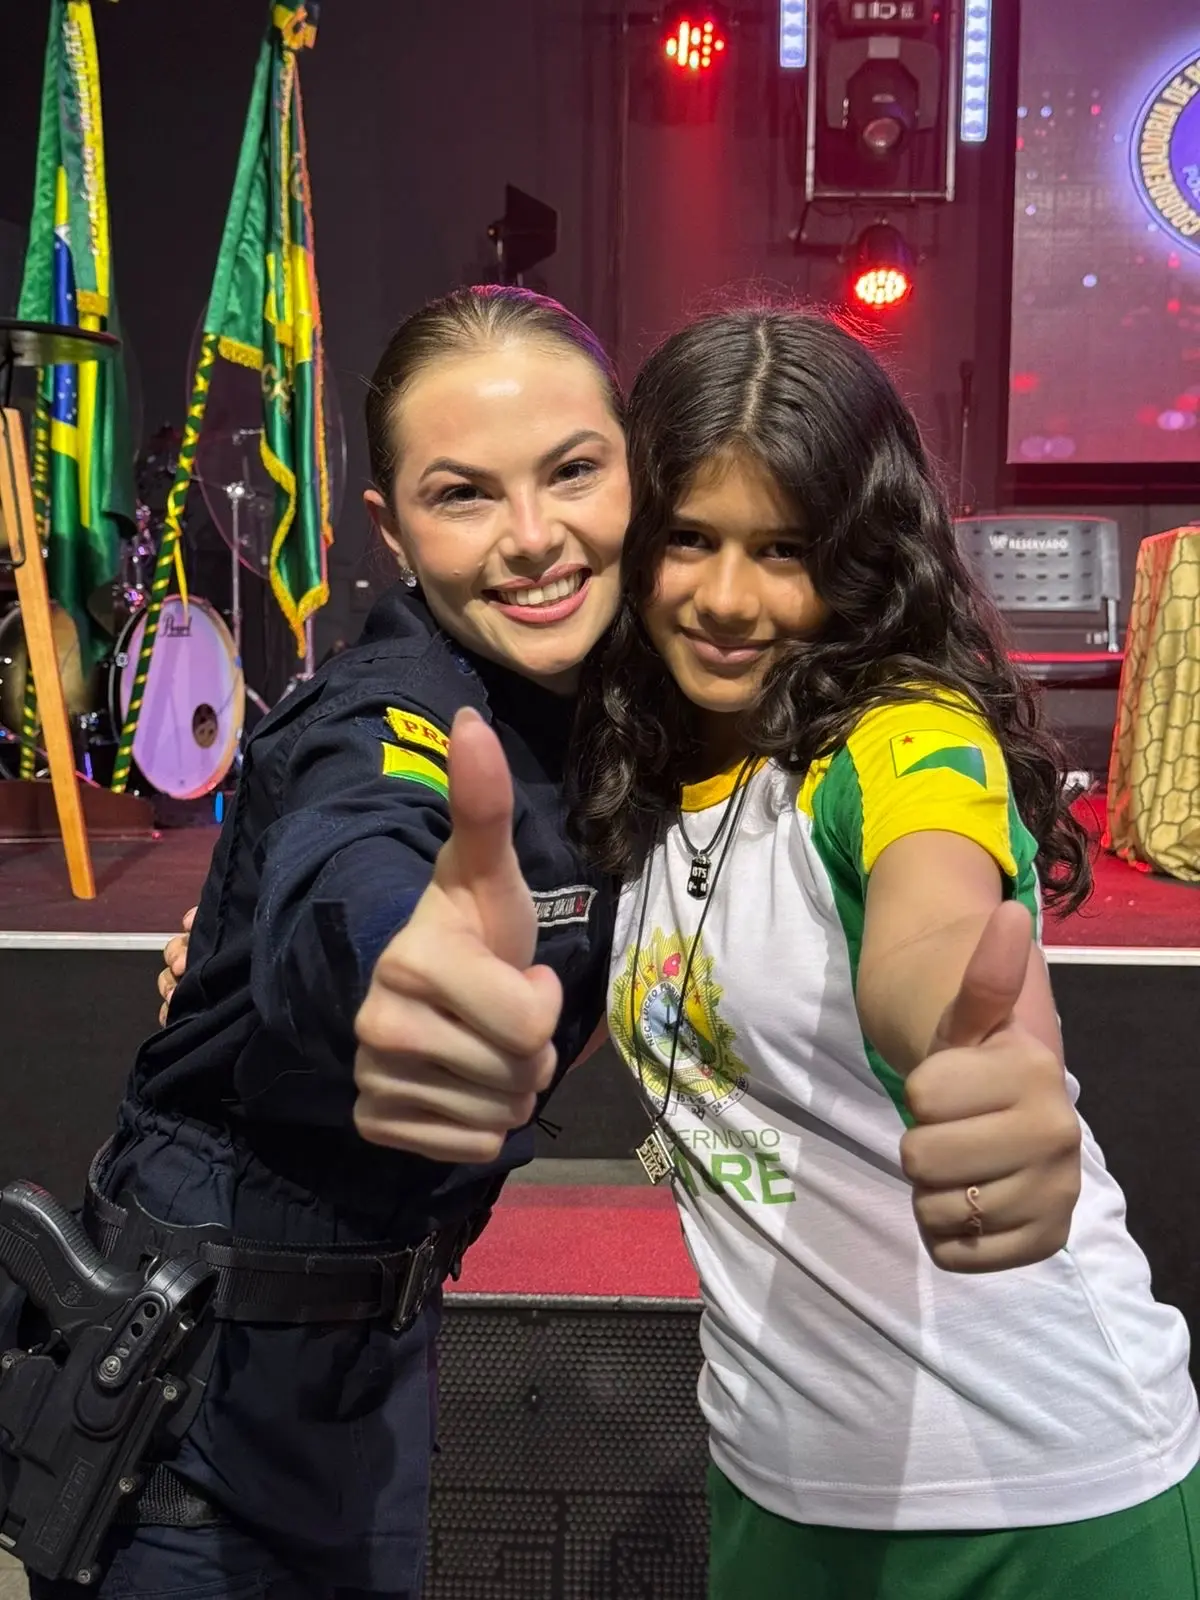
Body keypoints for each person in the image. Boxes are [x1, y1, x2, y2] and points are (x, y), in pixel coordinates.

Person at [354, 309, 1198, 1599]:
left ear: (861, 558)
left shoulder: (905, 738)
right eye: (690, 538)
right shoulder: (641, 769)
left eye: (785, 550)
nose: (728, 601)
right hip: (778, 1483)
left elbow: (934, 939)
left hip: (1041, 1492)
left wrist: (978, 1062)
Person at [23, 284, 631, 1599]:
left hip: (372, 1384)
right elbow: (351, 865)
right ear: (391, 529)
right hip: (190, 1423)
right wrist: (401, 976)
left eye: (573, 471)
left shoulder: (623, 715)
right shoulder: (383, 713)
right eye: (463, 494)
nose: (534, 537)